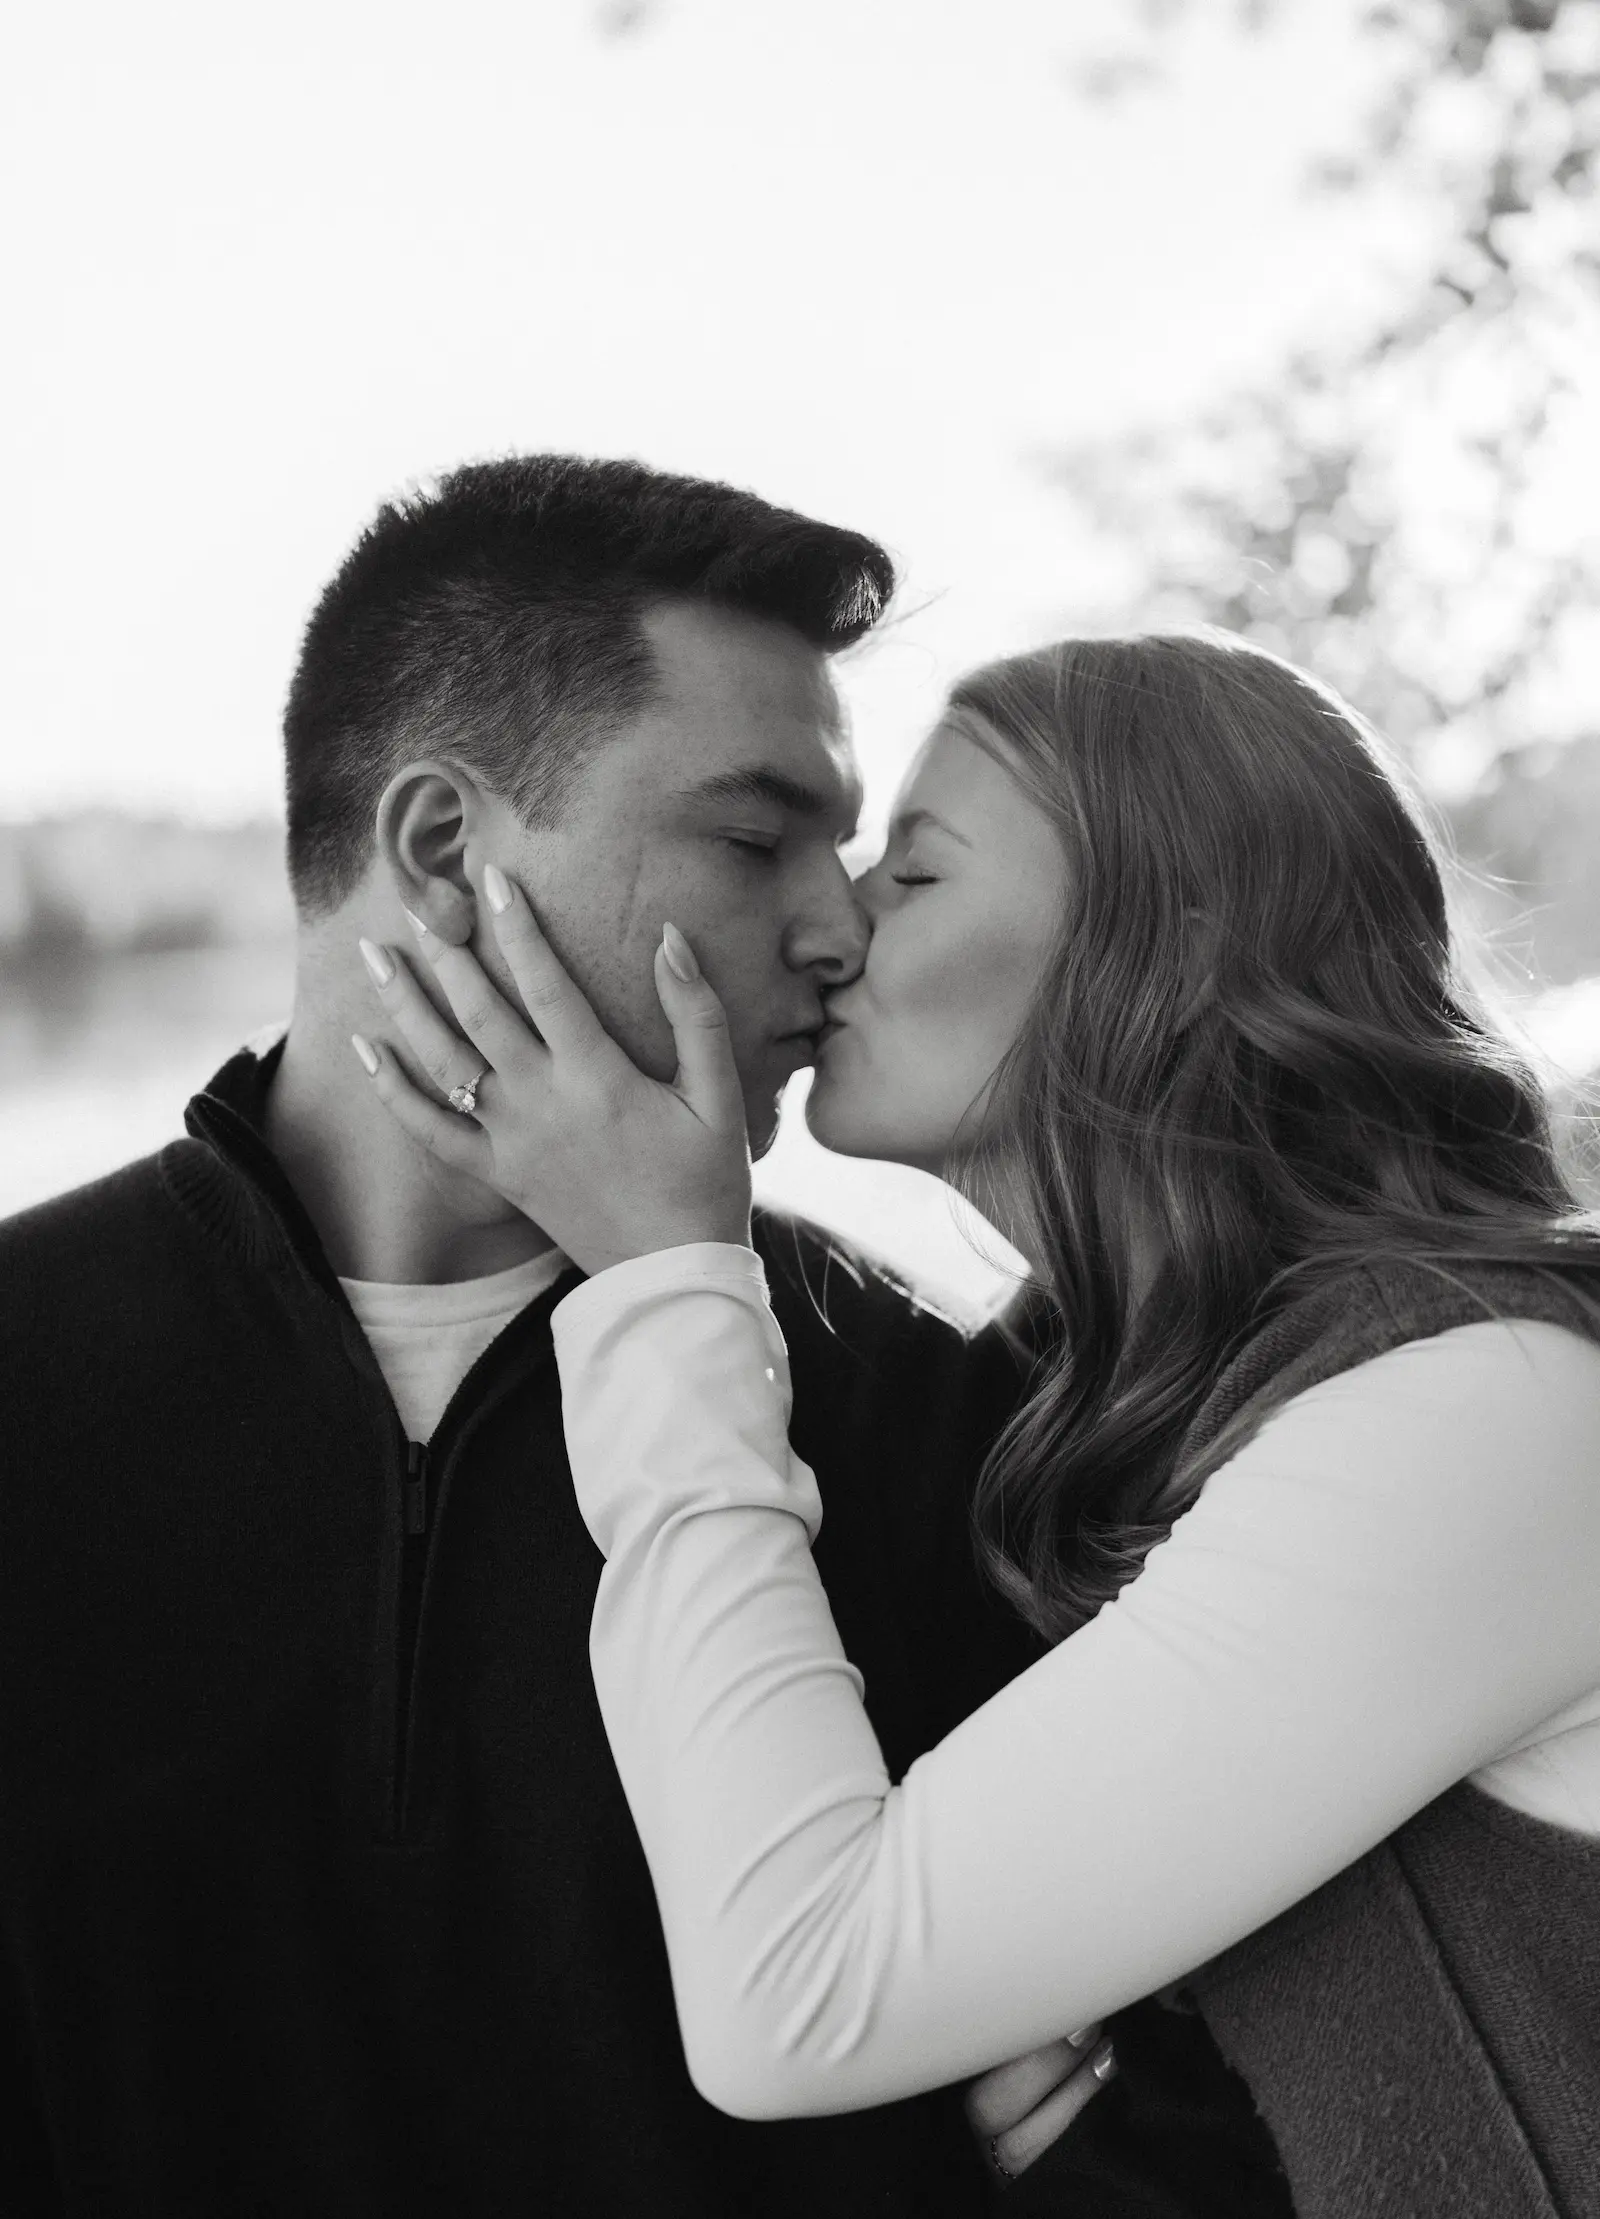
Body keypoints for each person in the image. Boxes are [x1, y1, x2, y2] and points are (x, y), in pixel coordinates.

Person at [0, 462, 1286, 2216]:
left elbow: (1209, 2117)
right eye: (757, 838)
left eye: (844, 846)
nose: (839, 929)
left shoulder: (928, 1405)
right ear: (444, 850)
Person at [360, 629, 1600, 2219]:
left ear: (1173, 940)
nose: (827, 926)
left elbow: (796, 1993)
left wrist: (666, 1277)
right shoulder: (1101, 1400)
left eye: (913, 876)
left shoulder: (1480, 1415)